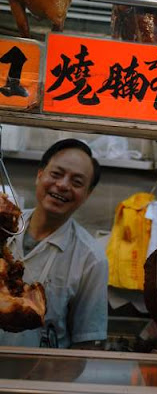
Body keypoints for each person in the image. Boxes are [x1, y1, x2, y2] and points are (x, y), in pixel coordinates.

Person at [0, 138, 108, 349]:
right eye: (56, 174)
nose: (63, 185)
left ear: (87, 194)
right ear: (40, 175)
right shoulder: (4, 226)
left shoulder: (91, 258)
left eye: (77, 182)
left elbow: (87, 340)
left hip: (42, 376)